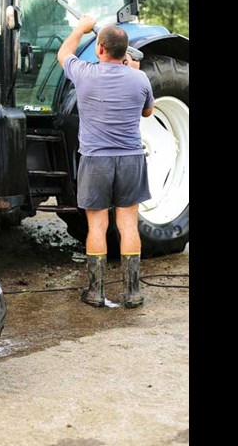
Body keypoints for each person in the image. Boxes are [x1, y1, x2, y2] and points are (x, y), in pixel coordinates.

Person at [57, 16, 154, 308]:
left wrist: (80, 28)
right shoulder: (140, 77)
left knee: (97, 228)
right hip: (131, 160)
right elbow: (148, 112)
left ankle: (96, 292)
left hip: (96, 161)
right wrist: (133, 72)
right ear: (125, 53)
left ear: (100, 49)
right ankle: (132, 292)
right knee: (128, 226)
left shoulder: (84, 73)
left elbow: (64, 54)